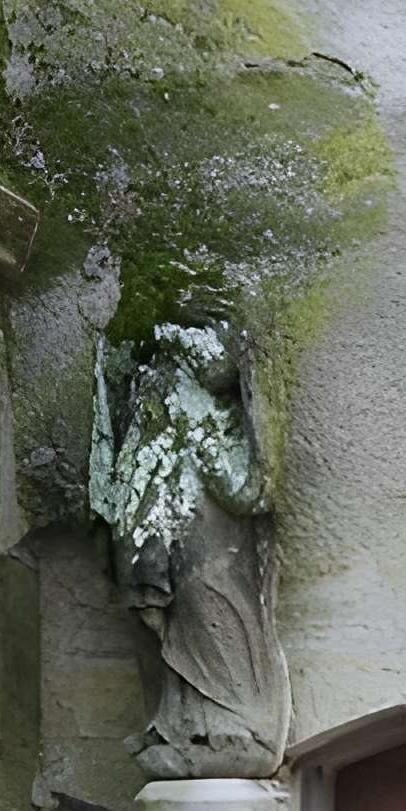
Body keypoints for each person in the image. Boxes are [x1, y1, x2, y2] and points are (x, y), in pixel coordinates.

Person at [90, 320, 291, 780]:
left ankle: (239, 729)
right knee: (179, 630)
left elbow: (248, 489)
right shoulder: (165, 400)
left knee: (215, 618)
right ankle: (184, 728)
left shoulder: (209, 416)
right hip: (175, 540)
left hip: (213, 546)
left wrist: (216, 432)